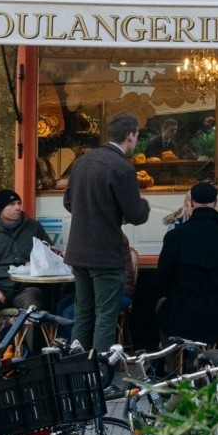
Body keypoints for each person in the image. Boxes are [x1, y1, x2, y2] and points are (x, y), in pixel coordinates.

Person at [64, 111, 150, 359]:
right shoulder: (122, 167)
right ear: (131, 135)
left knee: (83, 314)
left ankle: (78, 369)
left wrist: (97, 212)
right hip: (105, 254)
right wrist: (143, 205)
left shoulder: (82, 162)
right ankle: (99, 373)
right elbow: (136, 214)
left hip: (78, 252)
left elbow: (69, 202)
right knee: (105, 316)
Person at [155, 182, 218, 356]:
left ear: (191, 204)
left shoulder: (175, 236)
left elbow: (162, 278)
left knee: (162, 310)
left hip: (184, 315)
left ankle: (173, 365)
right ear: (215, 203)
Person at [0, 189, 52, 346]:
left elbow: (48, 252)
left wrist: (35, 262)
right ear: (1, 209)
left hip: (26, 288)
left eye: (19, 203)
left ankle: (28, 357)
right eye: (12, 204)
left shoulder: (34, 227)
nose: (17, 207)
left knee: (33, 303)